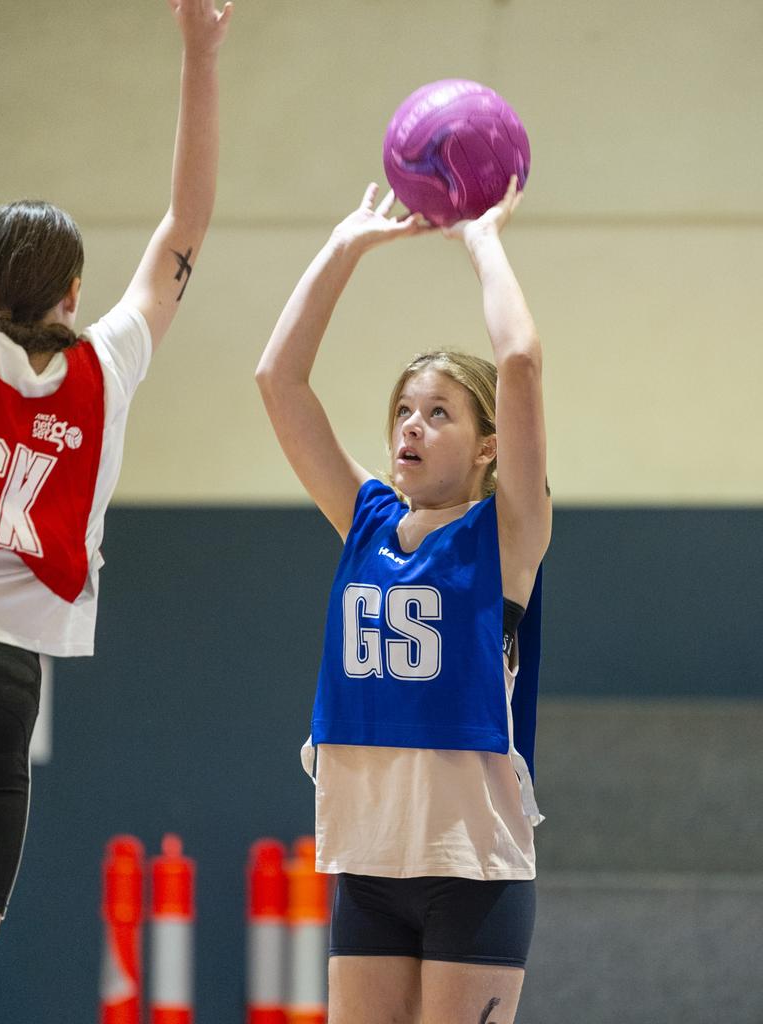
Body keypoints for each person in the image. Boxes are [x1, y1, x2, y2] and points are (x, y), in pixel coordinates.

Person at [256, 176, 552, 1024]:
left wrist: (480, 235)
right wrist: (345, 246)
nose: (410, 428)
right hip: (367, 862)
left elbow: (522, 361)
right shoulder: (367, 520)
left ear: (490, 444)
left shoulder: (507, 532)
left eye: (439, 413)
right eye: (403, 412)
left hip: (474, 872)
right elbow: (279, 380)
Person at [0, 0, 233, 936]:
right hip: (13, 669)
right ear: (74, 292)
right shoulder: (109, 364)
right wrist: (199, 53)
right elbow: (188, 219)